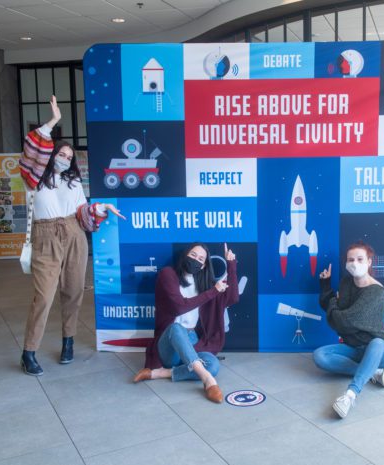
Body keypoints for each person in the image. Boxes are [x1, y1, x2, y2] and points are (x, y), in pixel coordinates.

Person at [19, 95, 124, 376]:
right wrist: (52, 122)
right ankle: (29, 351)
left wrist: (100, 208)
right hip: (46, 236)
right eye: (60, 155)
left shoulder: (73, 180)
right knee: (44, 296)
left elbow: (82, 213)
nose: (65, 160)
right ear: (50, 154)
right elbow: (31, 151)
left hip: (74, 235)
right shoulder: (33, 177)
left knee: (74, 292)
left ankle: (68, 341)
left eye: (69, 157)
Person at [133, 243, 240, 404]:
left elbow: (232, 298)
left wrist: (231, 265)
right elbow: (179, 307)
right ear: (185, 255)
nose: (196, 260)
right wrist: (213, 292)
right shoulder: (168, 274)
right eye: (193, 255)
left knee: (213, 365)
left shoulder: (204, 283)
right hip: (169, 342)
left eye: (201, 259)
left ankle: (160, 373)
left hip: (192, 340)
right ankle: (208, 380)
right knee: (176, 328)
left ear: (204, 265)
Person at [313, 242, 384, 419]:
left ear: (369, 262)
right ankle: (373, 371)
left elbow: (345, 321)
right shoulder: (345, 283)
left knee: (376, 342)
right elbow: (332, 312)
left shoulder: (376, 291)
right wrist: (326, 286)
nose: (355, 263)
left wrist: (334, 303)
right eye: (351, 259)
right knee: (320, 356)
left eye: (360, 259)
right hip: (355, 348)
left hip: (381, 350)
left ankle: (350, 395)